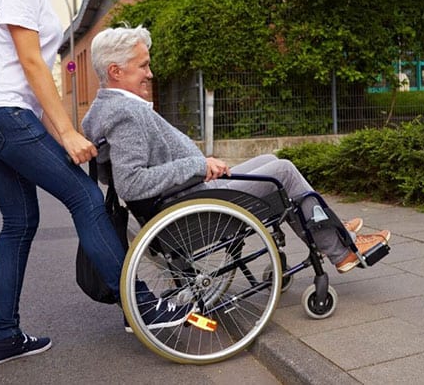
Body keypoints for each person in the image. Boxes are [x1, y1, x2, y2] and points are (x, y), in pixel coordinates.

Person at [0, 0, 188, 367]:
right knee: (85, 198)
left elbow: (30, 80)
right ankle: (141, 308)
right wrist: (65, 133)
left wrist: (63, 129)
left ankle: (2, 336)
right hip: (2, 114)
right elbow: (30, 66)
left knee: (19, 224)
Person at [81, 26, 391, 273]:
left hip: (190, 197)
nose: (150, 73)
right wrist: (198, 167)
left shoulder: (110, 109)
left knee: (271, 160)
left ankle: (328, 228)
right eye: (143, 65)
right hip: (191, 207)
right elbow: (131, 183)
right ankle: (342, 249)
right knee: (282, 171)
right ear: (115, 71)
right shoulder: (125, 115)